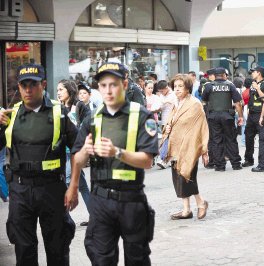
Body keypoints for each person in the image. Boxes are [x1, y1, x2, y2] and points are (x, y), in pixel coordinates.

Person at [71, 62, 158, 264]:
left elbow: (147, 161)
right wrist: (84, 152)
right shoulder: (92, 118)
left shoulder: (141, 115)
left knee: (137, 259)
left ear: (125, 85)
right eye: (103, 85)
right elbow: (77, 158)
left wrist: (117, 152)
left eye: (114, 84)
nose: (108, 90)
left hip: (131, 199)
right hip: (100, 200)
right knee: (101, 259)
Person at [0, 64, 78, 265]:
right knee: (24, 250)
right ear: (18, 87)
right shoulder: (11, 115)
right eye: (23, 85)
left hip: (52, 189)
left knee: (57, 249)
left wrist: (74, 186)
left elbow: (79, 150)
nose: (27, 89)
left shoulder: (59, 113)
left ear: (43, 85)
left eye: (32, 85)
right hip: (20, 189)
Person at [161, 74, 209, 220]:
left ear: (188, 88)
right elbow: (171, 122)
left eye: (180, 86)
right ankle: (186, 209)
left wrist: (204, 150)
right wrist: (167, 128)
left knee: (187, 177)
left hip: (189, 147)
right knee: (178, 178)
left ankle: (201, 203)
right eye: (175, 87)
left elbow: (202, 127)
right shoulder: (177, 103)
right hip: (175, 147)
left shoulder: (195, 104)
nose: (177, 89)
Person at [57, 79, 91, 226]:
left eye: (61, 90)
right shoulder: (58, 108)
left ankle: (62, 217)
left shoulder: (79, 106)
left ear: (69, 90)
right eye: (57, 90)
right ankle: (96, 215)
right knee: (82, 185)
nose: (58, 93)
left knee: (67, 180)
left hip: (75, 151)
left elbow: (88, 123)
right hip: (62, 152)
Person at [202, 67, 243, 171]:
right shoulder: (230, 86)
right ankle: (236, 164)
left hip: (213, 117)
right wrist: (241, 116)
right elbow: (238, 103)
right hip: (227, 116)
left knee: (216, 141)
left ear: (214, 76)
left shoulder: (208, 86)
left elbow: (204, 101)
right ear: (224, 75)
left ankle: (220, 165)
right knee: (231, 139)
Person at [242, 66, 264, 167]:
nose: (252, 74)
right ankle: (248, 159)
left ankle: (263, 162)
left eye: (254, 72)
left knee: (263, 139)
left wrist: (258, 88)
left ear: (259, 73)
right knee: (248, 137)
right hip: (251, 114)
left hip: (260, 114)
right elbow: (251, 98)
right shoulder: (253, 84)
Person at [156, 80, 178, 169]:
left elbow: (177, 107)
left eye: (162, 91)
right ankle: (169, 158)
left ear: (166, 88)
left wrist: (169, 103)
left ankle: (162, 158)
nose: (161, 93)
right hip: (164, 121)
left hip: (172, 120)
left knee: (166, 139)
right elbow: (159, 106)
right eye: (160, 91)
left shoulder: (174, 95)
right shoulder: (161, 96)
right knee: (168, 139)